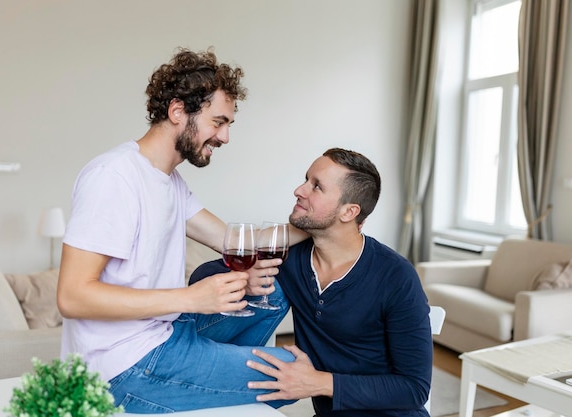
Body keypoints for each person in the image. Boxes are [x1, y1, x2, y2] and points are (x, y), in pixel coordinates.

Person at [57, 48, 304, 414]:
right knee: (290, 375)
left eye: (228, 125)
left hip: (164, 333)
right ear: (177, 112)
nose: (225, 137)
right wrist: (191, 299)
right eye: (218, 122)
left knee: (274, 293)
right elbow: (73, 296)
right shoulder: (114, 177)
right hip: (119, 368)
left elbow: (236, 241)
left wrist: (321, 222)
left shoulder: (170, 182)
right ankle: (200, 390)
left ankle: (209, 389)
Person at [190, 148, 433, 416]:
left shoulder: (396, 277)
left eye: (316, 186)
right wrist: (245, 278)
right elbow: (201, 275)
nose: (299, 190)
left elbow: (415, 388)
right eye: (306, 179)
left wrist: (318, 382)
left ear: (349, 212)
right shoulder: (291, 258)